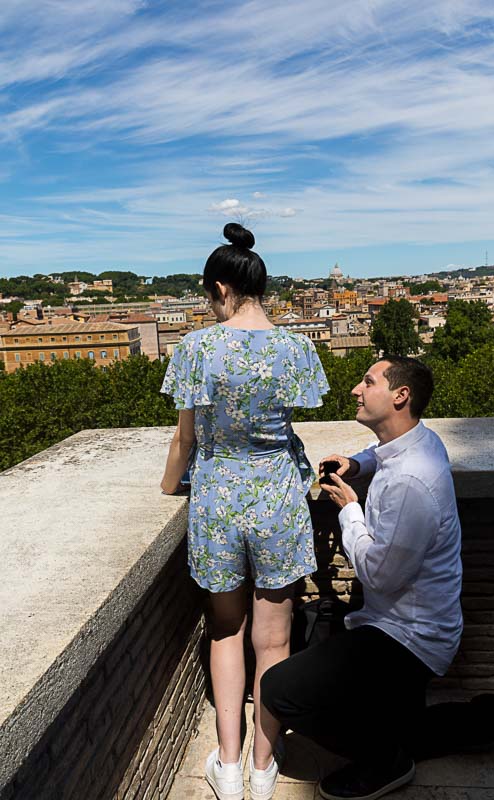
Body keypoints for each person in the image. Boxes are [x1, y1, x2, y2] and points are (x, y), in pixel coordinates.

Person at [160, 223, 329, 800]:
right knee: (274, 641)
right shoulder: (296, 346)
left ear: (220, 289)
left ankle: (227, 766)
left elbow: (185, 441)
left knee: (226, 629)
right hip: (279, 497)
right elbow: (291, 423)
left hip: (217, 500)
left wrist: (166, 487)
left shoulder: (197, 348)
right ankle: (264, 766)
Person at [261, 355, 463, 800]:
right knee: (415, 731)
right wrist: (356, 464)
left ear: (399, 396)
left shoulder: (412, 480)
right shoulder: (420, 442)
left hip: (408, 637)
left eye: (368, 382)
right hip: (413, 622)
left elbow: (379, 574)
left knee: (279, 690)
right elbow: (382, 454)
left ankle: (382, 762)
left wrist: (349, 508)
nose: (356, 388)